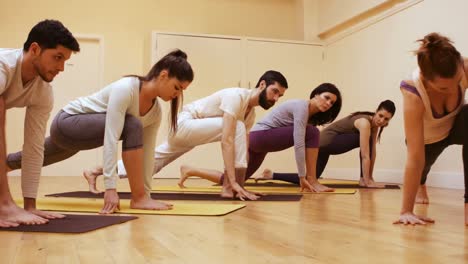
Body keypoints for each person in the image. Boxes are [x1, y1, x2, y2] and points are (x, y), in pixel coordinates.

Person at [7, 49, 193, 214]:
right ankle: (138, 198)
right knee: (132, 124)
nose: (177, 94)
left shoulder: (155, 113)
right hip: (68, 122)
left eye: (182, 90)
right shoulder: (126, 88)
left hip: (79, 138)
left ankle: (5, 164)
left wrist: (148, 195)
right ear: (163, 75)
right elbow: (111, 137)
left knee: (37, 156)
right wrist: (110, 188)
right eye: (176, 87)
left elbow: (147, 155)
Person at [87, 70, 289, 200]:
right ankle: (227, 188)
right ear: (262, 84)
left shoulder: (250, 114)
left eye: (280, 95)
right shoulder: (236, 97)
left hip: (190, 131)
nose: (276, 98)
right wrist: (233, 183)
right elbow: (227, 141)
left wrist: (242, 184)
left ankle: (96, 171)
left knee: (153, 162)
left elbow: (241, 148)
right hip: (184, 124)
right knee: (234, 127)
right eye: (275, 91)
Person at [179, 83, 342, 192]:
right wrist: (303, 177)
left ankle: (190, 170)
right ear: (315, 95)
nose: (328, 103)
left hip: (259, 141)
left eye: (332, 103)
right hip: (259, 137)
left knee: (232, 180)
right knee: (313, 132)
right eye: (326, 97)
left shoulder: (310, 117)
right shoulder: (301, 107)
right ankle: (313, 180)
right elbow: (299, 143)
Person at [0, 19, 79, 226]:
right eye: (57, 57)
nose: (61, 67)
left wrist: (30, 205)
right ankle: (3, 204)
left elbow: (34, 147)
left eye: (65, 60)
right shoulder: (3, 66)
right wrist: (4, 204)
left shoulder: (43, 91)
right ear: (35, 49)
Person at [395, 33, 468, 225]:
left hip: (456, 126)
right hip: (428, 141)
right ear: (426, 81)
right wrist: (406, 211)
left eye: (458, 81)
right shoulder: (412, 90)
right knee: (422, 169)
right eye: (444, 88)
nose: (453, 89)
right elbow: (415, 158)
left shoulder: (466, 66)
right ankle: (422, 184)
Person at [255, 100, 395, 189]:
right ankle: (363, 180)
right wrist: (367, 181)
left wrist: (371, 177)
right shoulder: (365, 123)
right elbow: (366, 154)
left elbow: (373, 152)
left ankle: (271, 175)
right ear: (376, 112)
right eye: (380, 115)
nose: (382, 120)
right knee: (366, 143)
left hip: (323, 147)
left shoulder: (375, 125)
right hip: (325, 143)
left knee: (311, 178)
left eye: (386, 119)